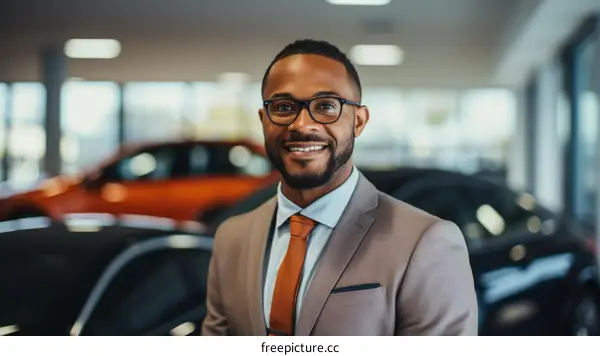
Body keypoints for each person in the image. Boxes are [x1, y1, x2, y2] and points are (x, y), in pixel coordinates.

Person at [201, 39, 478, 336]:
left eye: (325, 106)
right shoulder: (231, 238)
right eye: (283, 107)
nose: (303, 125)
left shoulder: (426, 242)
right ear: (263, 120)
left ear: (359, 121)